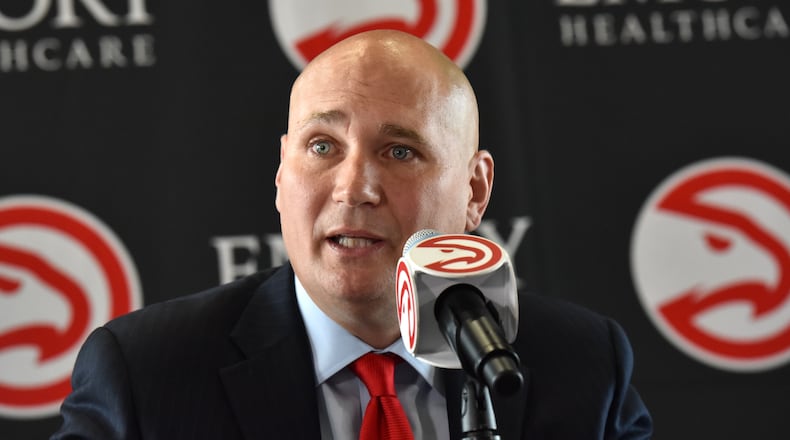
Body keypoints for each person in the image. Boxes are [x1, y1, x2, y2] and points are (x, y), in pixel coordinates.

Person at [52, 29, 653, 439]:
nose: (354, 187)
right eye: (322, 147)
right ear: (282, 173)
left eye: (399, 150)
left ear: (474, 190)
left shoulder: (582, 366)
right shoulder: (146, 374)